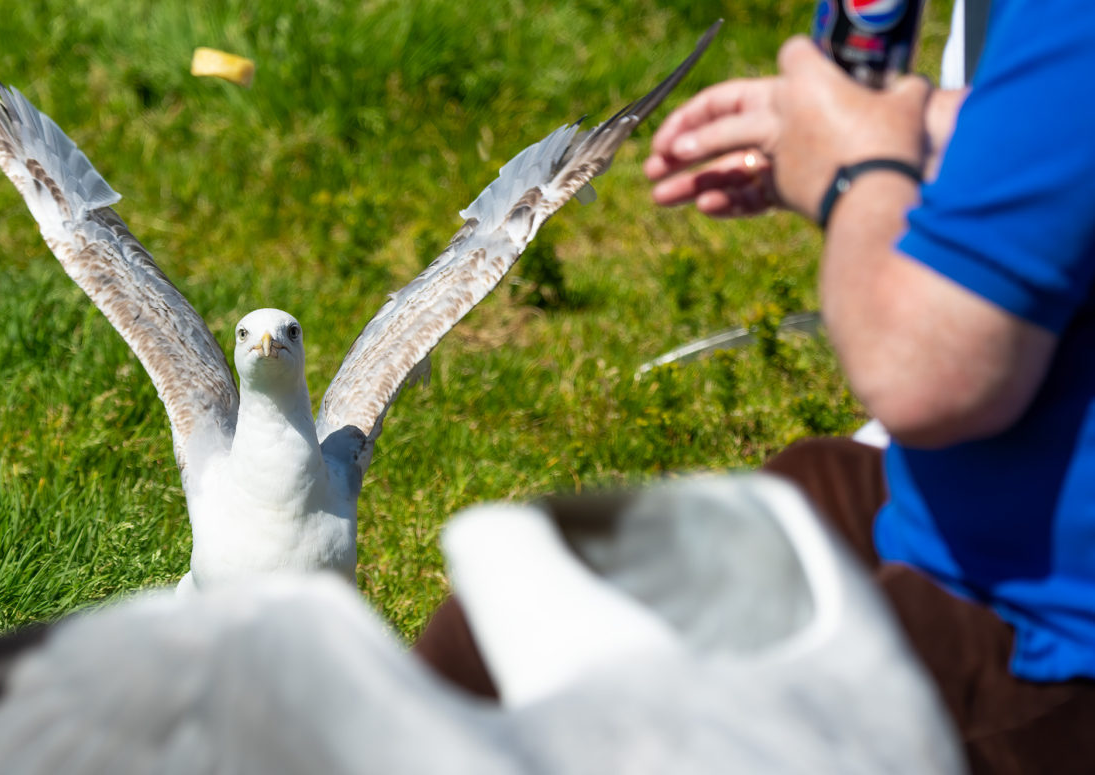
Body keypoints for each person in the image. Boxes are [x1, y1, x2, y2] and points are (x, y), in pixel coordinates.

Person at [416, 3, 1095, 773]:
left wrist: (859, 174)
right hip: (977, 508)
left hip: (1046, 641)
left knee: (588, 706)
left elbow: (926, 375)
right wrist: (915, 126)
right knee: (523, 602)